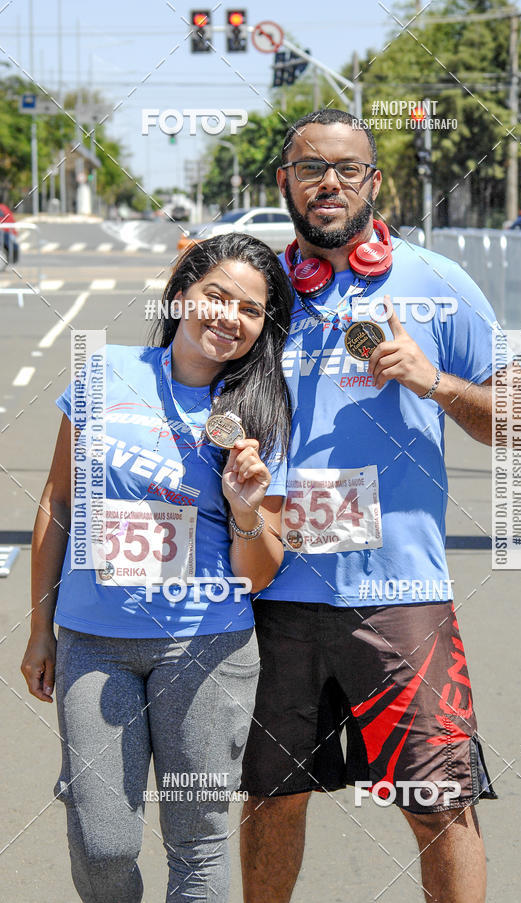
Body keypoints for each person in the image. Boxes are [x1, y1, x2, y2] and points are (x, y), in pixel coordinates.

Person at [239, 109, 521, 903]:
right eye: (311, 168)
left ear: (374, 182)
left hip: (401, 597)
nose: (329, 183)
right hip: (275, 591)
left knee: (440, 802)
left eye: (347, 168)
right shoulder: (256, 292)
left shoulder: (437, 283)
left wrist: (432, 381)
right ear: (285, 182)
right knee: (272, 796)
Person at [20, 233, 293, 903]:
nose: (229, 317)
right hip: (95, 640)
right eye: (216, 296)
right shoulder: (105, 371)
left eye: (250, 309)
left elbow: (258, 573)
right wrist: (40, 628)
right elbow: (58, 501)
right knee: (103, 842)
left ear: (263, 327)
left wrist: (244, 508)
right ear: (180, 295)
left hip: (208, 645)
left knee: (198, 842)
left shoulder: (261, 415)